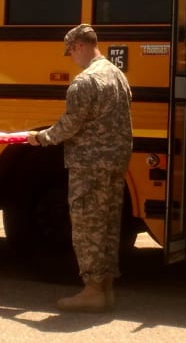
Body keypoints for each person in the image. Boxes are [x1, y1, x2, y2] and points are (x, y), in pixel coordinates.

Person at [26, 24, 132, 313]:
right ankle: (106, 287)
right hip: (115, 162)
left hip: (89, 164)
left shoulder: (85, 82)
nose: (71, 58)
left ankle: (93, 290)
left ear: (79, 47)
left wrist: (41, 138)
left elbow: (70, 125)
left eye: (70, 52)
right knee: (109, 224)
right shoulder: (117, 75)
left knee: (87, 226)